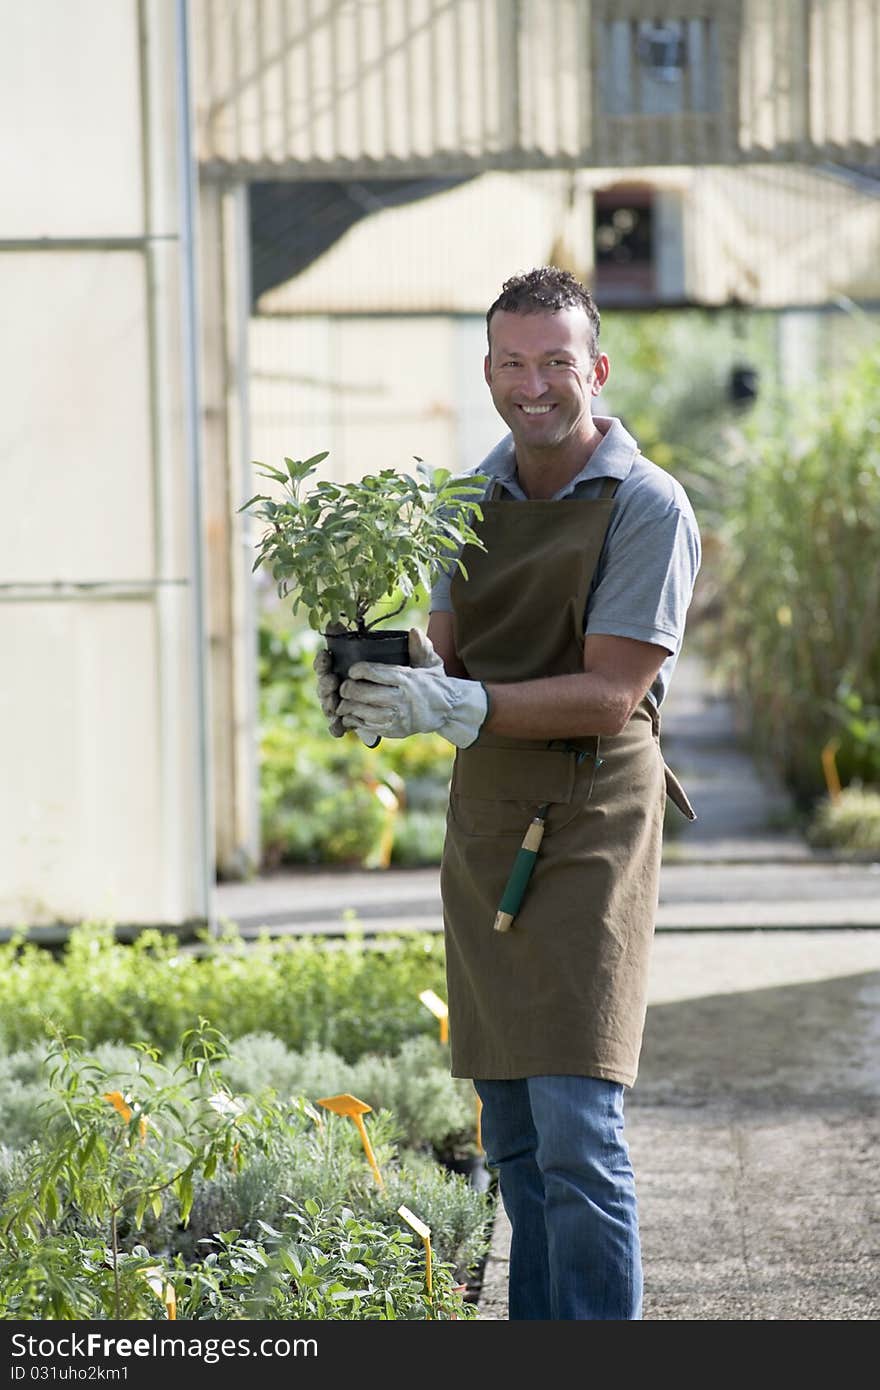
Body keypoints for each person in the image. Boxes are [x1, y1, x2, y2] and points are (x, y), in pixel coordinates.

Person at [314, 265, 701, 1321]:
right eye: (512, 362)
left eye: (555, 363)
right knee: (514, 1134)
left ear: (596, 368)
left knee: (578, 1122)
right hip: (488, 823)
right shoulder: (458, 507)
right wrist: (377, 680)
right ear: (487, 368)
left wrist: (455, 707)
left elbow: (614, 692)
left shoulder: (645, 504)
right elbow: (445, 656)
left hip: (590, 824)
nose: (533, 385)